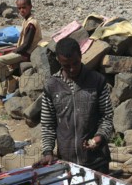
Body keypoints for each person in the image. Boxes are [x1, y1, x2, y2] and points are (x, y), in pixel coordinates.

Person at [39, 37, 114, 173]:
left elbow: (107, 117)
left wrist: (99, 137)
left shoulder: (97, 81)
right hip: (68, 163)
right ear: (59, 61)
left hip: (97, 162)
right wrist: (48, 152)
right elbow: (48, 124)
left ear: (80, 56)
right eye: (66, 66)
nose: (72, 69)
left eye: (75, 63)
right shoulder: (51, 86)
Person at [0, 0, 42, 108]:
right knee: (1, 71)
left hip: (26, 54)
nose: (22, 10)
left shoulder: (32, 23)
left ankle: (7, 86)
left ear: (30, 7)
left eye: (24, 7)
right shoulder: (26, 21)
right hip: (22, 52)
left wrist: (13, 52)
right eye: (19, 8)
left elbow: (26, 44)